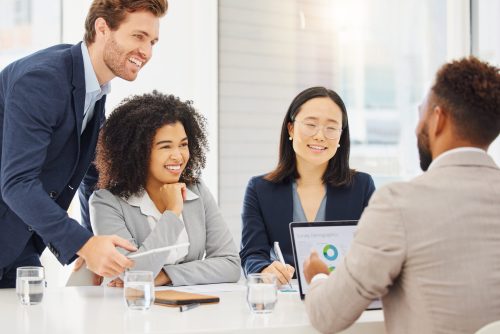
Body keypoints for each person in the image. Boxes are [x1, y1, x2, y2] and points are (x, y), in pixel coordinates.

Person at [303, 57, 500, 334]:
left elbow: (327, 315)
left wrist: (319, 276)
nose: (417, 125)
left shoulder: (399, 204)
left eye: (421, 112)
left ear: (438, 119)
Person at [0, 0, 168, 288]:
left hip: (18, 247)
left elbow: (91, 173)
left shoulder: (94, 90)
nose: (147, 52)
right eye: (138, 37)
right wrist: (84, 244)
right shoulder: (42, 80)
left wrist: (95, 240)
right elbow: (17, 183)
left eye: (152, 41)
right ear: (102, 28)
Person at [89, 91, 241, 287]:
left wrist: (166, 275)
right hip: (131, 309)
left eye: (183, 145)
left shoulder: (197, 190)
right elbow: (132, 274)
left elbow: (230, 265)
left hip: (189, 309)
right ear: (138, 152)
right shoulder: (105, 202)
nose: (178, 156)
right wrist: (172, 212)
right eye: (165, 147)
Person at [240, 86, 375, 285]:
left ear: (341, 136)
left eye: (331, 128)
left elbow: (375, 251)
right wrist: (265, 269)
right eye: (311, 124)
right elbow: (252, 254)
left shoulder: (362, 187)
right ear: (291, 128)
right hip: (285, 301)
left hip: (342, 296)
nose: (320, 136)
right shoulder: (260, 189)